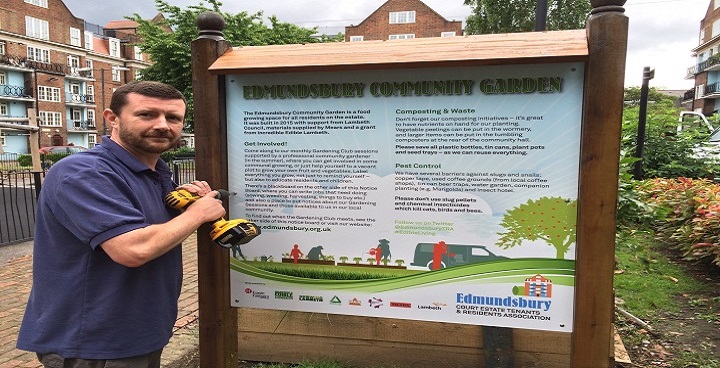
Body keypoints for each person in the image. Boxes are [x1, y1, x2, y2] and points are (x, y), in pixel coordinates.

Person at [16, 81, 226, 368]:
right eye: (147, 114)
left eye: (173, 117)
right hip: (95, 344)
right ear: (112, 118)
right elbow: (132, 249)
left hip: (141, 333)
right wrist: (197, 214)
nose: (163, 125)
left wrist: (184, 206)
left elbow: (153, 230)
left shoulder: (155, 173)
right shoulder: (82, 173)